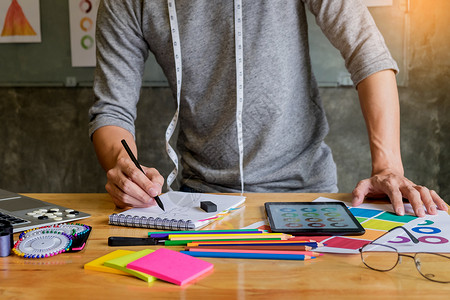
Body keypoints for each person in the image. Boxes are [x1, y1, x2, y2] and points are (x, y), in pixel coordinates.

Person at [89, 0, 447, 217]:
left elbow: (367, 53)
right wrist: (124, 169)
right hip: (202, 204)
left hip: (305, 195)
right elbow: (111, 110)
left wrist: (389, 168)